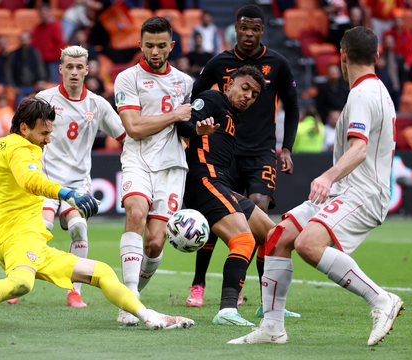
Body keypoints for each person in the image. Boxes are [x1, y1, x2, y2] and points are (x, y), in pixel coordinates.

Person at [0, 98, 194, 336]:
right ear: (24, 128)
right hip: (19, 237)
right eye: (43, 133)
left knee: (101, 272)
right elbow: (31, 181)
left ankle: (148, 315)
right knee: (21, 284)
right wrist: (68, 194)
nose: (48, 138)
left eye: (50, 132)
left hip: (23, 240)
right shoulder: (22, 148)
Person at [229, 26, 403, 346]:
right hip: (346, 190)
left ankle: (381, 300)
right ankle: (272, 327)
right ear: (377, 57)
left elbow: (359, 149)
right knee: (277, 238)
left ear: (342, 56)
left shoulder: (363, 94)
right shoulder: (375, 90)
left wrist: (327, 176)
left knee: (308, 245)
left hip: (362, 192)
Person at [188, 4, 300, 316]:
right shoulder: (219, 65)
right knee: (218, 218)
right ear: (235, 29)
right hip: (221, 156)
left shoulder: (277, 63)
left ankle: (263, 299)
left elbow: (292, 106)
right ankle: (199, 283)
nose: (249, 34)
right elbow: (193, 99)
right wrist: (193, 129)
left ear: (263, 30)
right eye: (244, 28)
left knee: (260, 212)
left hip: (261, 150)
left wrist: (286, 148)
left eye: (255, 29)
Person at [5, 46, 126, 307]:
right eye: (68, 66)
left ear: (87, 69)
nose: (74, 72)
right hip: (46, 180)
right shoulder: (44, 100)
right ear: (60, 69)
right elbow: (20, 131)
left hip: (78, 183)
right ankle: (19, 279)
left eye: (79, 67)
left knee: (79, 228)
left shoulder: (98, 104)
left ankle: (75, 292)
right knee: (41, 228)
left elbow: (125, 136)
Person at [178, 66, 278, 326]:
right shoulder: (213, 99)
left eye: (254, 94)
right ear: (229, 83)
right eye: (245, 88)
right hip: (204, 181)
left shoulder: (232, 117)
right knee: (243, 240)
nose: (248, 96)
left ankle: (269, 306)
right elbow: (185, 123)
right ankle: (227, 310)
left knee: (272, 236)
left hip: (221, 184)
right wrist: (198, 130)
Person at [113, 16, 194, 325]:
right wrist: (174, 115)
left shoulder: (185, 83)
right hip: (138, 159)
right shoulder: (127, 78)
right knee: (135, 213)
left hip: (172, 167)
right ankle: (130, 300)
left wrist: (201, 130)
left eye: (162, 46)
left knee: (156, 242)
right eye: (149, 46)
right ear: (140, 45)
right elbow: (133, 127)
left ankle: (133, 295)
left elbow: (187, 128)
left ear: (171, 45)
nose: (155, 52)